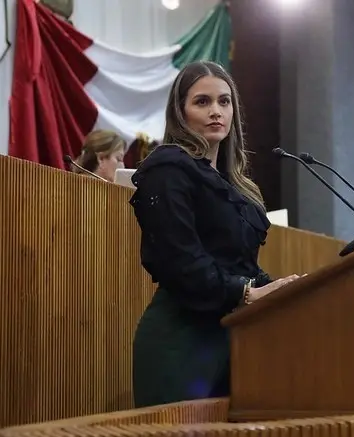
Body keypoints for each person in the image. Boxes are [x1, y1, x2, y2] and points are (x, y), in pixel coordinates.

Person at [128, 61, 300, 407]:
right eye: (202, 102)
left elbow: (240, 265)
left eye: (224, 102)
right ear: (180, 112)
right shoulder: (167, 169)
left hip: (233, 336)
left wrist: (286, 288)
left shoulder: (235, 186)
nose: (216, 112)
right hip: (182, 341)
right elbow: (180, 260)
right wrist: (249, 293)